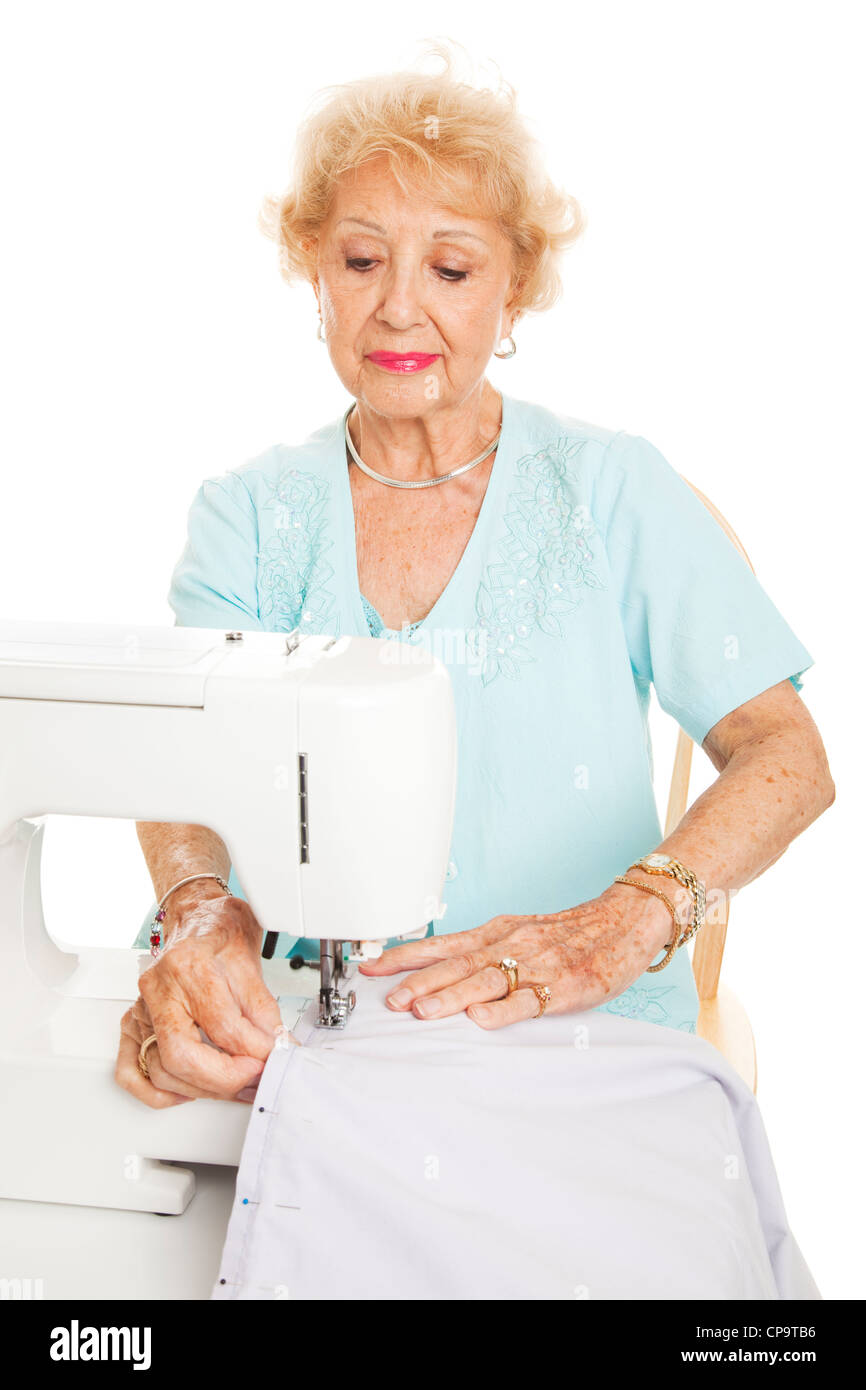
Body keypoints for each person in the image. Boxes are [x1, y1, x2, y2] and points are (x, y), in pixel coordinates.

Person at [116, 45, 833, 1109]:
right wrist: (197, 909)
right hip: (298, 1029)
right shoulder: (248, 512)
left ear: (516, 289)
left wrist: (624, 921)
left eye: (449, 270)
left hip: (574, 1030)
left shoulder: (611, 488)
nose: (400, 308)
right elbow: (186, 762)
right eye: (361, 261)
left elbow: (787, 756)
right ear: (313, 268)